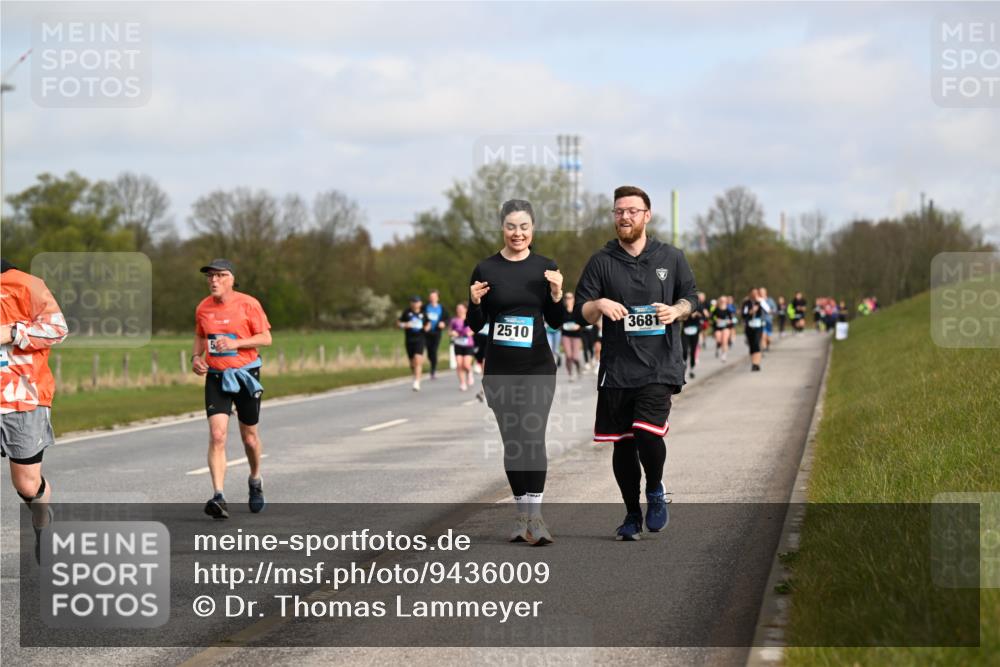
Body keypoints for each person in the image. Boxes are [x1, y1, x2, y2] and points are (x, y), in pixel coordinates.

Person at [573, 186, 698, 541]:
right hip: (618, 368)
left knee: (646, 430)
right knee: (623, 442)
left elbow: (691, 297)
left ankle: (655, 490)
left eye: (631, 211)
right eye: (618, 212)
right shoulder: (602, 261)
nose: (624, 217)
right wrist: (598, 305)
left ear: (647, 215)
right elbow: (579, 312)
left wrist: (676, 310)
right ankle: (631, 515)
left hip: (660, 364)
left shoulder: (671, 257)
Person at [467, 199, 564, 546]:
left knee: (532, 435)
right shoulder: (485, 269)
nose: (517, 233)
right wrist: (475, 304)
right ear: (502, 228)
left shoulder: (545, 267)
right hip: (500, 369)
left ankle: (536, 518)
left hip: (537, 367)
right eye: (511, 226)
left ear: (533, 229)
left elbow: (556, 322)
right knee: (513, 441)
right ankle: (522, 513)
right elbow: (474, 324)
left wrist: (556, 294)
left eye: (524, 227)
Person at [193, 259, 272, 519]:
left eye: (220, 275)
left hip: (245, 374)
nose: (213, 280)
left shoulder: (249, 303)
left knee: (249, 437)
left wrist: (237, 344)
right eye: (210, 277)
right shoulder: (203, 308)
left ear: (231, 279)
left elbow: (266, 338)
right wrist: (196, 357)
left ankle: (255, 478)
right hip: (216, 376)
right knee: (217, 435)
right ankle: (219, 496)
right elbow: (201, 336)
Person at [1, 259, 68, 558]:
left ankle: (43, 522)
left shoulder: (27, 284)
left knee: (27, 484)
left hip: (22, 397)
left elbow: (57, 330)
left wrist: (14, 332)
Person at [398, 296, 428, 391]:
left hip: (420, 339)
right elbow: (399, 322)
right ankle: (415, 375)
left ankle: (417, 382)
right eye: (413, 302)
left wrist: (427, 327)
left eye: (417, 302)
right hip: (409, 339)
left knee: (418, 359)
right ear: (411, 303)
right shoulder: (407, 312)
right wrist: (404, 325)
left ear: (420, 303)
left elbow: (428, 323)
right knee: (412, 363)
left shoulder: (423, 313)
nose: (415, 304)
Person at [448, 303, 475, 391]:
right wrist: (453, 333)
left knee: (466, 364)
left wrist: (470, 333)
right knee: (459, 365)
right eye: (457, 309)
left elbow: (475, 329)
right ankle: (462, 383)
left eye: (461, 308)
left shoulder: (470, 319)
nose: (459, 310)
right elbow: (449, 331)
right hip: (458, 344)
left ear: (465, 309)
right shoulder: (454, 320)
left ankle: (470, 372)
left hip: (468, 344)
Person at [423, 290, 449, 380]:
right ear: (429, 298)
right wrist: (424, 325)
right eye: (431, 297)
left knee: (434, 351)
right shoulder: (425, 308)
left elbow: (447, 319)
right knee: (429, 353)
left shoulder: (442, 308)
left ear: (438, 298)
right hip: (427, 333)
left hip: (436, 333)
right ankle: (432, 363)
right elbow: (420, 317)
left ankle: (433, 370)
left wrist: (444, 324)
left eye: (434, 297)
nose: (433, 299)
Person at [681, 294, 709, 379]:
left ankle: (692, 369)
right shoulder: (686, 306)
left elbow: (704, 319)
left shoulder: (700, 307)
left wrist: (699, 315)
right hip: (685, 330)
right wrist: (689, 315)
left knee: (693, 350)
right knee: (684, 350)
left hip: (695, 330)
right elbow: (681, 318)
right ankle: (684, 365)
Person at [560, 292, 584, 381]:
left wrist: (579, 325)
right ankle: (570, 374)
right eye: (566, 298)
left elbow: (583, 320)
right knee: (568, 356)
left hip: (576, 335)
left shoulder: (577, 309)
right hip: (565, 335)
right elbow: (558, 321)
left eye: (570, 297)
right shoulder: (562, 309)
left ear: (574, 299)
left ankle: (578, 367)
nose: (568, 299)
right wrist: (561, 325)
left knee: (575, 357)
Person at [741, 288, 765, 371]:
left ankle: (756, 364)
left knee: (756, 343)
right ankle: (753, 363)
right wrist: (750, 312)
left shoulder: (761, 302)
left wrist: (761, 302)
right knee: (751, 345)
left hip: (758, 326)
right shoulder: (746, 303)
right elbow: (743, 314)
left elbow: (768, 310)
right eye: (753, 293)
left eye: (756, 293)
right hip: (749, 326)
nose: (755, 295)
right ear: (750, 294)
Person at [711, 295, 733, 361]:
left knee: (724, 340)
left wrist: (729, 321)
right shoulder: (716, 309)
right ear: (719, 301)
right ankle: (718, 346)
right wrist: (716, 320)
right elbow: (712, 317)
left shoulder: (728, 310)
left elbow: (732, 319)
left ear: (726, 301)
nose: (723, 302)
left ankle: (724, 354)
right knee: (719, 340)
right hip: (717, 327)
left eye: (724, 300)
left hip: (726, 327)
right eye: (721, 300)